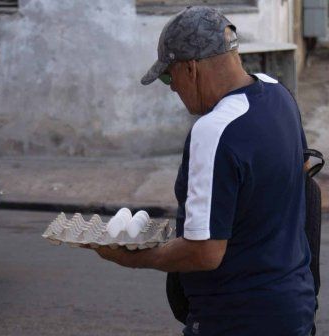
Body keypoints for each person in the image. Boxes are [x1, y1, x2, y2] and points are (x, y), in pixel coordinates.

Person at [91, 6, 316, 335]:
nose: (171, 88)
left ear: (191, 69)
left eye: (169, 76)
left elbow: (204, 252)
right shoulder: (279, 95)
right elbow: (299, 179)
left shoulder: (214, 130)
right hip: (294, 307)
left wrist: (136, 257)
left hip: (236, 319)